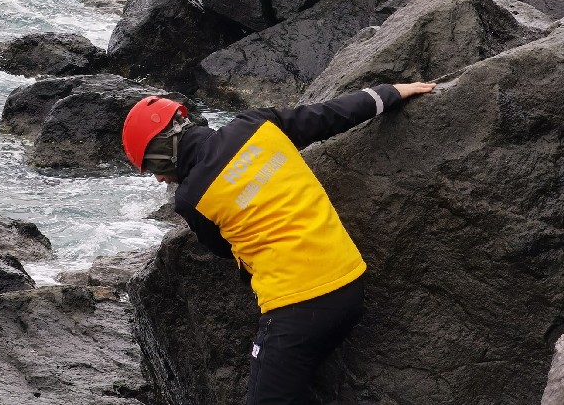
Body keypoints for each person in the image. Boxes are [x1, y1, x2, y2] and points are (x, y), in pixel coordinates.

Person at [122, 81, 436, 405]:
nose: (158, 179)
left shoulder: (191, 199)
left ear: (166, 152)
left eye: (153, 167)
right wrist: (391, 92)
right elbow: (329, 116)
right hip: (349, 284)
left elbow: (225, 250)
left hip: (297, 308)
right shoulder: (256, 124)